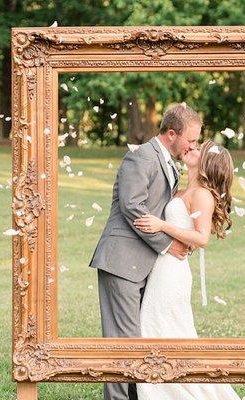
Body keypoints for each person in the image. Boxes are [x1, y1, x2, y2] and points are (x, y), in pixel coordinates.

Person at [88, 103, 201, 400]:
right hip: (122, 262)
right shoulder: (140, 157)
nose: (194, 146)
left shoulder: (168, 162)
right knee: (121, 342)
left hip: (143, 264)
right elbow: (131, 206)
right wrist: (166, 244)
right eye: (190, 140)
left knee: (136, 338)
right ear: (172, 133)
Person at [133, 139, 241, 400]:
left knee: (159, 328)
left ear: (208, 161)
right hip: (161, 267)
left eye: (198, 148)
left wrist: (162, 226)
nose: (191, 148)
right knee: (160, 328)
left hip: (173, 273)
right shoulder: (183, 189)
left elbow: (202, 238)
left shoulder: (202, 194)